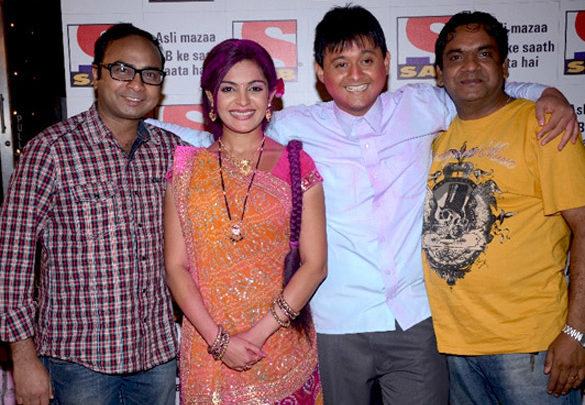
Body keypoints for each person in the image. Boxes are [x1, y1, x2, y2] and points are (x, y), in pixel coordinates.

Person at [149, 5, 578, 404]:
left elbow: (480, 87)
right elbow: (227, 137)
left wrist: (548, 94)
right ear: (321, 73)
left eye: (367, 60)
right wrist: (138, 120)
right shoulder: (295, 126)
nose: (355, 74)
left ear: (387, 63)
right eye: (340, 64)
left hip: (415, 321)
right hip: (337, 325)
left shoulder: (423, 105)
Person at [0, 23, 182, 405]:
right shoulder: (50, 151)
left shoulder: (172, 152)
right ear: (96, 75)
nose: (136, 84)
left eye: (150, 74)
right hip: (78, 364)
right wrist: (23, 357)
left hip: (157, 357)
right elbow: (11, 260)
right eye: (123, 70)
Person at [422, 11, 585, 404]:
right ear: (440, 74)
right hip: (454, 349)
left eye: (484, 54)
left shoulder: (545, 126)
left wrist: (577, 332)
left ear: (505, 66)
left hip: (533, 348)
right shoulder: (435, 138)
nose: (470, 66)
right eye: (456, 57)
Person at [164, 38, 327, 404]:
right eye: (228, 89)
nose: (242, 101)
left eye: (254, 88)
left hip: (280, 347)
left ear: (271, 96)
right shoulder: (186, 172)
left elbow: (315, 265)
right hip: (207, 353)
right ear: (211, 97)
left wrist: (257, 335)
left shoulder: (297, 164)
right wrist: (219, 341)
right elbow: (175, 267)